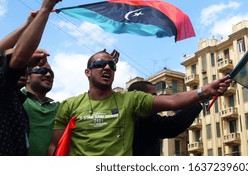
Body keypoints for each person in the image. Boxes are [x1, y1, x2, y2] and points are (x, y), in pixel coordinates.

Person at [48, 50, 232, 156]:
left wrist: (204, 92)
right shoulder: (69, 105)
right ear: (87, 72)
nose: (106, 67)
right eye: (100, 64)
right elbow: (54, 147)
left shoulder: (131, 100)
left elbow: (173, 100)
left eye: (111, 65)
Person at [0, 0, 64, 155]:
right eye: (40, 69)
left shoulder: (14, 99)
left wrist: (27, 25)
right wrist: (45, 9)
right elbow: (17, 57)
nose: (47, 74)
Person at [128, 80, 202, 156]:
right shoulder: (143, 120)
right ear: (141, 98)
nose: (156, 99)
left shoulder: (127, 119)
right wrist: (197, 102)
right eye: (152, 96)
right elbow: (173, 125)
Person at [22, 61, 60, 155]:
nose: (48, 75)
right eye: (41, 70)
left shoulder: (59, 108)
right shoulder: (14, 98)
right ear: (27, 77)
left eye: (51, 73)